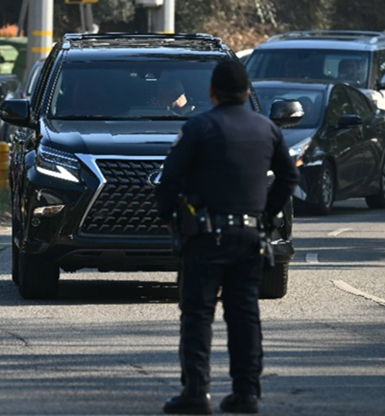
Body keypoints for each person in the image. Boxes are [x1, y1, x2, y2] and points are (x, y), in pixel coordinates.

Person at [155, 61, 298, 415]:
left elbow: (168, 179)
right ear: (248, 92)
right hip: (250, 236)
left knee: (198, 314)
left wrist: (171, 219)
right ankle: (247, 392)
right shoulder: (267, 129)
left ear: (212, 92)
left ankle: (196, 391)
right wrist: (265, 215)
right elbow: (288, 178)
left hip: (205, 237)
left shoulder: (199, 127)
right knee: (244, 313)